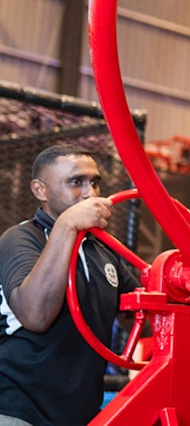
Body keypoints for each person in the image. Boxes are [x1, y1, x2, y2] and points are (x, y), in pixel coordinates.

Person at [0, 145, 142, 426]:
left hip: (80, 414)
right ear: (40, 190)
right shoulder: (20, 239)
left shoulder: (103, 251)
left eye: (95, 182)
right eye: (76, 182)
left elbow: (145, 322)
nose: (91, 193)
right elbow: (36, 315)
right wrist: (66, 225)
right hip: (20, 410)